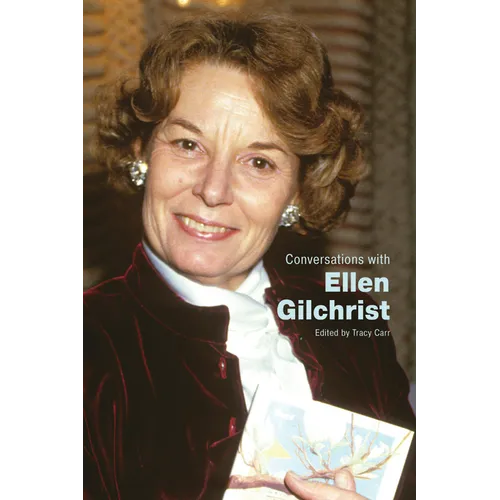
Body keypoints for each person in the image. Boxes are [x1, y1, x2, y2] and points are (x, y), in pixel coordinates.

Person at [81, 11, 415, 500]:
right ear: (142, 152)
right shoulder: (81, 347)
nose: (213, 190)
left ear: (297, 191)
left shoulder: (351, 325)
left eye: (259, 162)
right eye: (188, 144)